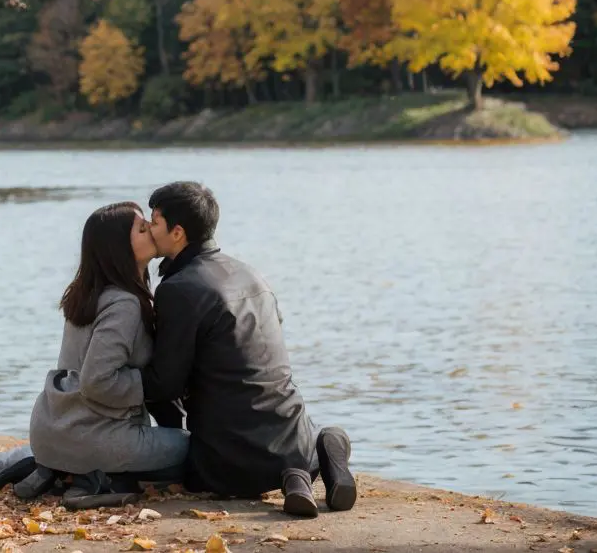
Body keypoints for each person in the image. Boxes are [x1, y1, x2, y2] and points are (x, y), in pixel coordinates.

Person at [138, 181, 356, 518]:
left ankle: (295, 474)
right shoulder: (251, 274)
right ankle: (309, 462)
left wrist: (111, 381)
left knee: (154, 446)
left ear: (178, 232)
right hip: (293, 439)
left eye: (154, 222)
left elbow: (164, 384)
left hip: (228, 462)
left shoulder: (179, 289)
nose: (150, 230)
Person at [25, 201, 190, 507]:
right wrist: (154, 381)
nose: (153, 231)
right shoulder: (124, 304)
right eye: (143, 229)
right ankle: (98, 478)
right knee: (195, 449)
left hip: (51, 432)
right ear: (119, 247)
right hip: (90, 437)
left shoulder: (87, 290)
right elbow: (97, 382)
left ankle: (66, 471)